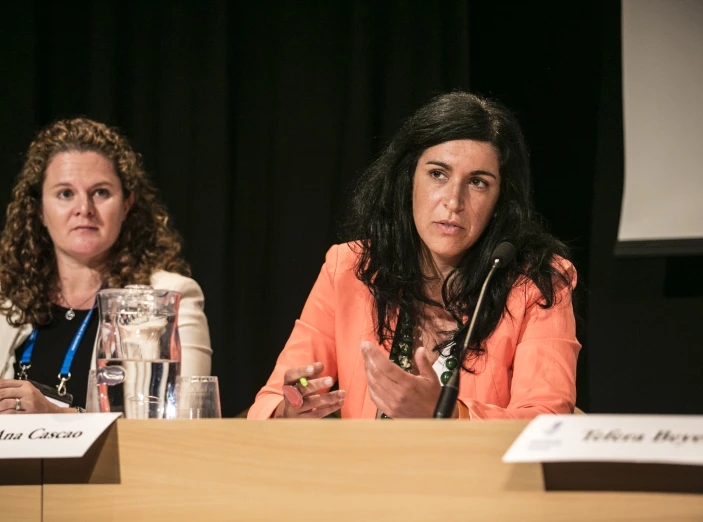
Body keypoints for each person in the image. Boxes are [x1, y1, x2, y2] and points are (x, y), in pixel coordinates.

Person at [248, 92, 580, 420]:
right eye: (438, 174)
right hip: (369, 472)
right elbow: (278, 393)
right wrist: (291, 406)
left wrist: (447, 414)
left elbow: (546, 419)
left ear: (500, 201)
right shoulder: (350, 268)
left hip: (478, 474)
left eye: (478, 182)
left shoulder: (539, 283)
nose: (454, 201)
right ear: (408, 180)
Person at [0, 118, 211, 420]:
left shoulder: (169, 297)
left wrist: (57, 415)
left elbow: (180, 423)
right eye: (65, 193)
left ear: (126, 205)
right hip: (2, 467)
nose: (84, 208)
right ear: (39, 211)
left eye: (100, 192)